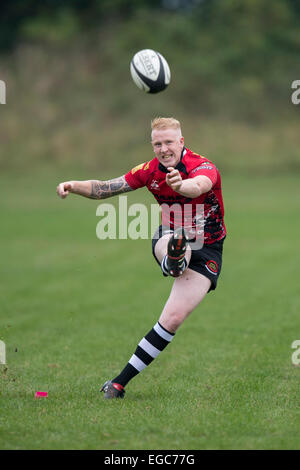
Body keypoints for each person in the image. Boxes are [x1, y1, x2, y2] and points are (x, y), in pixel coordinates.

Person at [56, 117, 226, 399]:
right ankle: (173, 260)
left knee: (172, 319)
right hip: (171, 233)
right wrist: (73, 185)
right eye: (158, 143)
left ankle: (118, 383)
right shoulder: (149, 170)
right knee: (173, 242)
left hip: (208, 249)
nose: (164, 149)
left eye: (169, 142)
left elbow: (199, 186)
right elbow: (107, 187)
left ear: (181, 142)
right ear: (153, 145)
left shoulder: (202, 166)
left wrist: (180, 185)